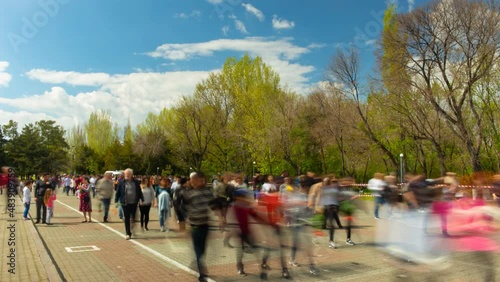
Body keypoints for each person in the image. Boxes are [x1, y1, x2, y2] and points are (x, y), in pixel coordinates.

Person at [178, 172, 221, 282]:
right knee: (198, 249)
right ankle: (202, 274)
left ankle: (198, 263)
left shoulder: (207, 192)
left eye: (199, 180)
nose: (196, 182)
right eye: (193, 181)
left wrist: (221, 217)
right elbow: (180, 207)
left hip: (205, 225)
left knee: (202, 250)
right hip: (194, 226)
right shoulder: (188, 193)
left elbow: (213, 205)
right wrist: (182, 222)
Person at [115, 168, 144, 240]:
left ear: (131, 175)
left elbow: (139, 191)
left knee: (133, 217)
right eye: (126, 174)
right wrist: (116, 200)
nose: (127, 175)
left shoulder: (136, 182)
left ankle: (132, 228)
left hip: (134, 203)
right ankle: (128, 233)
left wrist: (142, 199)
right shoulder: (121, 182)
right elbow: (118, 192)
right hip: (125, 203)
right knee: (127, 218)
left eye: (128, 174)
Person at [322, 178, 343, 249]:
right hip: (325, 207)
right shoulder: (323, 188)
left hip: (331, 207)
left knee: (331, 224)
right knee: (323, 222)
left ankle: (331, 241)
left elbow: (338, 197)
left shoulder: (334, 189)